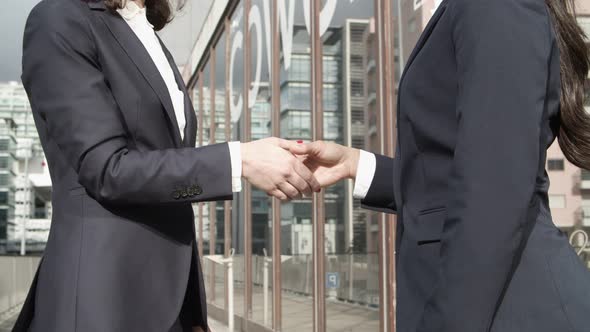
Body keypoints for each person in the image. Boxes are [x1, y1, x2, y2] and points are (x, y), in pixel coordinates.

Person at [14, 0, 319, 331]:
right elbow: (108, 170)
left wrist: (189, 309)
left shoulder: (145, 32)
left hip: (168, 301)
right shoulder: (59, 18)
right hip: (103, 298)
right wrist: (239, 160)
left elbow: (164, 174)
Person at [291, 0, 590, 331]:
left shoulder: (495, 7)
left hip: (513, 305)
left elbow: (493, 194)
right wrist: (355, 164)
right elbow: (455, 178)